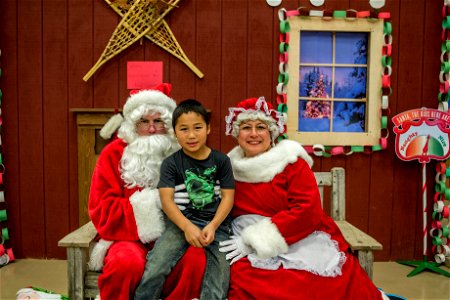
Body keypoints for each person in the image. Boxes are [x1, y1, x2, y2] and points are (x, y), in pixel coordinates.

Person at [218, 96, 387, 300]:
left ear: (271, 132)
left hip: (298, 234)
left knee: (316, 281)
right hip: (242, 241)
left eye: (261, 127)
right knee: (246, 278)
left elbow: (307, 211)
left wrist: (256, 240)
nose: (254, 134)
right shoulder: (227, 166)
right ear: (237, 133)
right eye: (246, 127)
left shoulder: (291, 162)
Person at [87, 84, 206, 300]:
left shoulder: (183, 152)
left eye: (158, 121)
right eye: (144, 122)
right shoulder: (113, 154)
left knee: (195, 260)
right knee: (125, 263)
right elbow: (102, 210)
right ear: (133, 125)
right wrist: (154, 202)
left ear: (168, 124)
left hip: (178, 234)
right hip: (126, 238)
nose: (151, 129)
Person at [134, 99, 235, 300]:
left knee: (221, 272)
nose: (191, 135)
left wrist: (214, 225)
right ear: (174, 132)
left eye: (197, 127)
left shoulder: (222, 161)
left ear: (208, 128)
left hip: (217, 226)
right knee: (157, 263)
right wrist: (187, 227)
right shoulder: (171, 164)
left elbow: (227, 197)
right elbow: (167, 201)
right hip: (180, 223)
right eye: (183, 129)